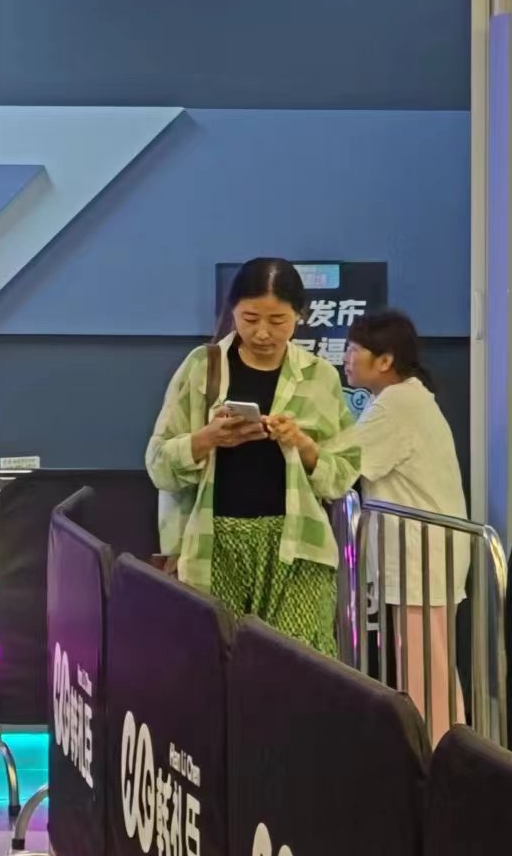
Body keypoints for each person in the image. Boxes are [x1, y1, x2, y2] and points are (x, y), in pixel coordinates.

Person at [146, 258, 360, 656]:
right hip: (214, 545)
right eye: (250, 318)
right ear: (232, 312)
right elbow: (158, 463)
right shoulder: (203, 366)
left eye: (278, 321)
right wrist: (207, 439)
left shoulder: (320, 377)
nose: (262, 333)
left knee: (298, 667)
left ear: (299, 315)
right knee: (218, 665)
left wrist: (301, 443)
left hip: (298, 549)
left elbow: (343, 472)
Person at [339, 309, 469, 742]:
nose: (346, 358)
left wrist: (297, 440)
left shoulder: (396, 404)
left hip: (422, 558)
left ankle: (441, 758)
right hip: (426, 557)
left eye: (354, 349)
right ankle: (444, 754)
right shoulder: (405, 398)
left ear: (385, 360)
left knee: (426, 674)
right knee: (430, 668)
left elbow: (344, 461)